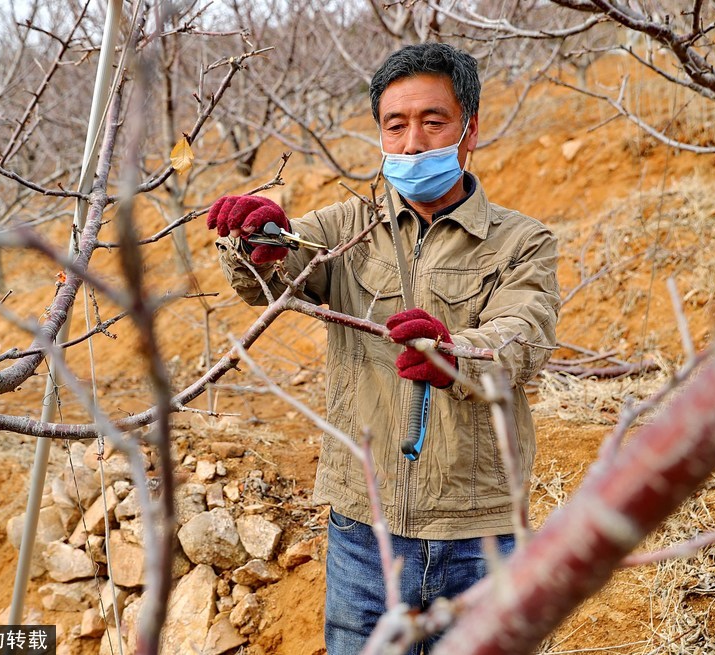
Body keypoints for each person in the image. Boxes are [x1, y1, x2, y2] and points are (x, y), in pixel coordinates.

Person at [207, 43, 561, 653]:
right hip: (363, 531)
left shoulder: (521, 242)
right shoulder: (349, 227)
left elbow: (523, 334)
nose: (413, 143)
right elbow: (274, 268)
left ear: (469, 129)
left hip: (481, 531)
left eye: (433, 122)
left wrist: (455, 354)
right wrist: (253, 240)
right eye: (395, 126)